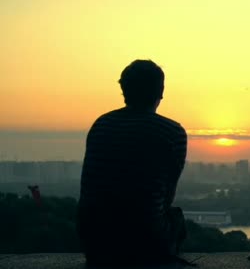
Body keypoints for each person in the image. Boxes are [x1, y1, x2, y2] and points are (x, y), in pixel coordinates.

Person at [77, 59, 188, 266]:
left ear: (124, 89)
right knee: (176, 218)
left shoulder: (102, 124)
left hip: (94, 240)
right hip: (145, 240)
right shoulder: (172, 132)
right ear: (160, 92)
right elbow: (166, 197)